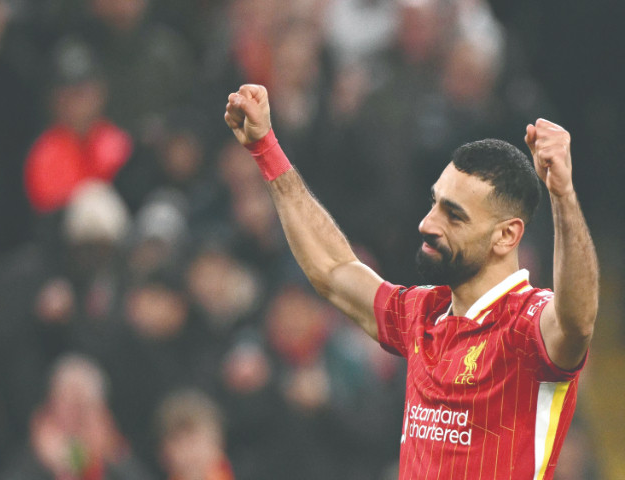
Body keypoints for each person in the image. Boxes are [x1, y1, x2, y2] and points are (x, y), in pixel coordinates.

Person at [223, 84, 599, 479]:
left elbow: (578, 320)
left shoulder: (530, 326)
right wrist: (266, 148)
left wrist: (563, 196)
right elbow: (334, 271)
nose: (427, 224)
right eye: (434, 203)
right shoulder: (422, 312)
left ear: (506, 236)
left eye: (453, 215)